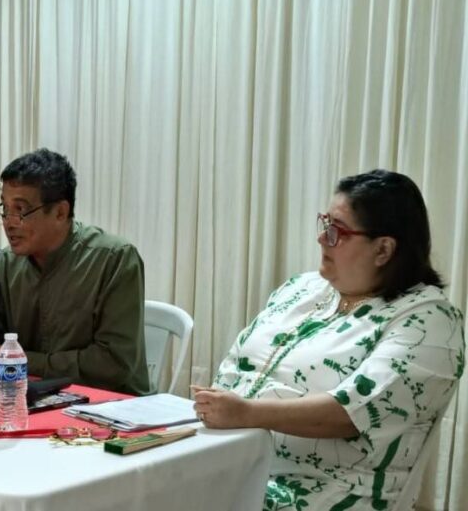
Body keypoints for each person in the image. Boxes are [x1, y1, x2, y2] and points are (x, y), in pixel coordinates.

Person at [193, 169, 464, 510]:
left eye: (337, 231)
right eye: (325, 224)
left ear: (383, 249)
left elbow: (353, 412)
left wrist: (247, 414)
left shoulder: (429, 320)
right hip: (228, 463)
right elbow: (237, 363)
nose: (322, 239)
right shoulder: (302, 289)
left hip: (322, 491)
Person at [0, 148, 150, 395]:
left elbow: (114, 363)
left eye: (20, 210)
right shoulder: (7, 263)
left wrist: (26, 361)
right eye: (5, 209)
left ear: (60, 212)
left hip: (111, 404)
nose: (9, 222)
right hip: (32, 395)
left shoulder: (113, 258)